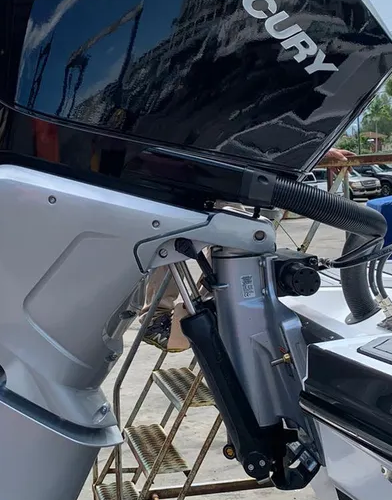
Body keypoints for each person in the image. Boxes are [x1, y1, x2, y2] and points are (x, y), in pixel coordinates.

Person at [140, 147, 355, 351]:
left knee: (235, 231)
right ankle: (161, 316)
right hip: (188, 171)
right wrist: (317, 153)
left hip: (203, 174)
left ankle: (207, 306)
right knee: (232, 232)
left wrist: (318, 154)